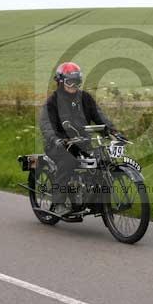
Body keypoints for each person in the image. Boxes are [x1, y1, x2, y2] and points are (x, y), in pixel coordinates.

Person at [39, 62, 117, 216]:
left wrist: (112, 130)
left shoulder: (85, 98)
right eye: (70, 81)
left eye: (77, 81)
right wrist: (56, 139)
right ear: (60, 82)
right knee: (68, 161)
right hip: (59, 145)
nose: (74, 85)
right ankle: (59, 203)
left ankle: (96, 202)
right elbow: (46, 123)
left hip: (83, 143)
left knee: (102, 163)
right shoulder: (53, 102)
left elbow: (99, 116)